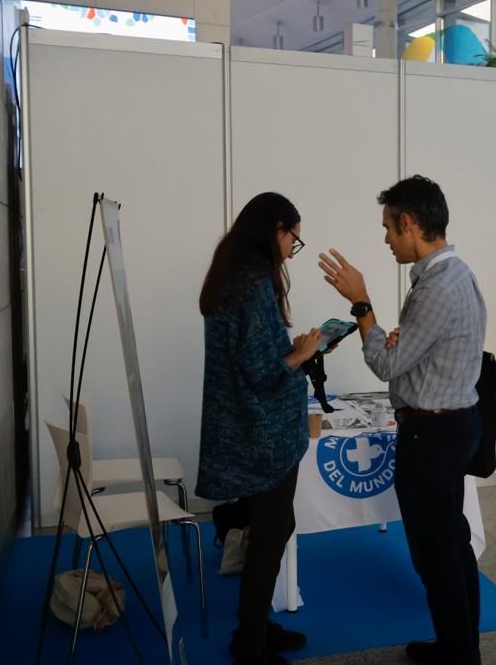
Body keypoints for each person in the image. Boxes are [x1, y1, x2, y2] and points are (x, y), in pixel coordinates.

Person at [318, 175, 486, 664]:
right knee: (450, 547)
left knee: (439, 556)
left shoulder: (439, 286)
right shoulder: (452, 274)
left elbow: (388, 364)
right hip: (447, 425)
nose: (386, 239)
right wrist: (399, 339)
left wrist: (362, 304)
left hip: (432, 435)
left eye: (389, 228)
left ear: (409, 223)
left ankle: (459, 655)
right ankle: (459, 646)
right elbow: (410, 353)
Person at [197, 192, 319, 665]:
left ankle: (256, 628)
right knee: (271, 533)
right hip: (263, 433)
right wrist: (303, 352)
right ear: (276, 228)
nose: (293, 247)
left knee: (274, 527)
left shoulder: (230, 274)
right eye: (294, 237)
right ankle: (250, 644)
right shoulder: (252, 283)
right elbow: (262, 368)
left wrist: (293, 351)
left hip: (243, 425)